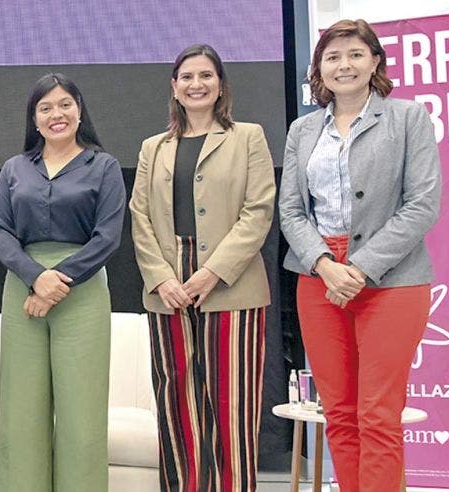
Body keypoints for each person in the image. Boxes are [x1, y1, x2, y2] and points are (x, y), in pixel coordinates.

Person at [279, 19, 440, 492]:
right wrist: (325, 264)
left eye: (354, 54)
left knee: (378, 414)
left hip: (394, 278)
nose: (343, 64)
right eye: (332, 57)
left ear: (374, 62)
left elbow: (423, 204)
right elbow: (291, 210)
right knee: (341, 415)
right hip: (317, 275)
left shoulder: (409, 118)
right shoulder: (302, 129)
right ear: (319, 69)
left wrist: (362, 266)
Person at [130, 44, 275, 491]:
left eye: (206, 76)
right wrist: (162, 278)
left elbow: (259, 210)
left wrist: (212, 272)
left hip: (231, 283)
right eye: (187, 77)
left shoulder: (248, 136)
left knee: (232, 404)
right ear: (174, 87)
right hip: (169, 286)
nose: (197, 84)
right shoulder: (153, 147)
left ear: (220, 85)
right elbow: (140, 216)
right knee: (177, 402)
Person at [0, 73, 125, 492]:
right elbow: (0, 231)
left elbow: (108, 236)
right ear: (34, 118)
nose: (56, 114)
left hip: (82, 291)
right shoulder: (15, 168)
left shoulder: (103, 166)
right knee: (21, 416)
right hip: (22, 288)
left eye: (65, 104)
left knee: (80, 417)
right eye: (45, 107)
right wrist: (35, 278)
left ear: (79, 110)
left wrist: (58, 280)